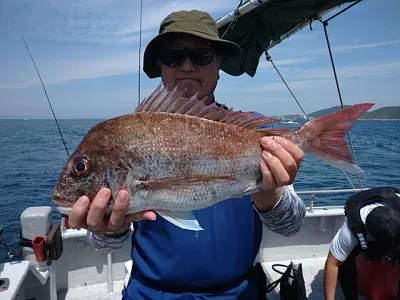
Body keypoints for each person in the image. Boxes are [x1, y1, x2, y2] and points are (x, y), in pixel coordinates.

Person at [69, 10, 306, 299]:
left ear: (218, 64)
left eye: (202, 55)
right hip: (151, 292)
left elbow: (292, 225)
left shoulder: (257, 135)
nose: (187, 66)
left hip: (236, 293)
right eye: (173, 56)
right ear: (160, 66)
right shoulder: (126, 137)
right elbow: (103, 245)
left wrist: (267, 194)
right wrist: (109, 230)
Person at [324, 186, 400, 300]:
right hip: (360, 226)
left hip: (389, 209)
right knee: (345, 264)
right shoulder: (350, 231)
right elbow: (332, 264)